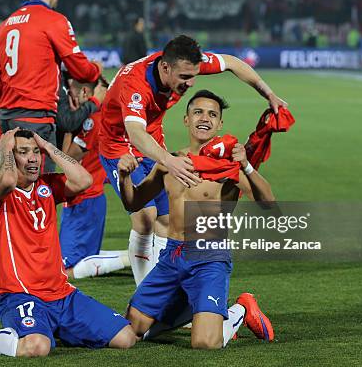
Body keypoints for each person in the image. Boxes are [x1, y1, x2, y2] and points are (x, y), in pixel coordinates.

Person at [98, 34, 287, 286]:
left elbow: (231, 62)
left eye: (194, 75)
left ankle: (165, 291)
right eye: (185, 77)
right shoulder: (136, 85)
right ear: (165, 68)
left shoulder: (182, 63)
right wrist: (169, 160)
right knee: (144, 218)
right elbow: (134, 133)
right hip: (118, 146)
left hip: (151, 140)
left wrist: (269, 94)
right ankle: (145, 295)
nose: (191, 82)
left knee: (167, 219)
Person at [0, 129, 136, 357]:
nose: (33, 158)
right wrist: (4, 149)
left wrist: (49, 148)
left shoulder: (47, 187)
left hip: (62, 294)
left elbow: (84, 180)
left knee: (125, 337)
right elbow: (8, 179)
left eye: (35, 152)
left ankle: (54, 328)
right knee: (36, 347)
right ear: (8, 156)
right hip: (19, 295)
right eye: (23, 152)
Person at [117, 90, 276, 349]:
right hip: (171, 257)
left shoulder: (228, 166)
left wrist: (246, 165)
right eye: (198, 112)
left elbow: (269, 204)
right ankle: (194, 308)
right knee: (131, 329)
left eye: (213, 114)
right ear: (186, 119)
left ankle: (240, 310)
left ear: (220, 124)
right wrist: (124, 177)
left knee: (204, 343)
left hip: (208, 258)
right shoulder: (170, 162)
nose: (205, 118)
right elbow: (133, 202)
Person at [0, 0, 103, 171]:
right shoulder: (55, 21)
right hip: (36, 118)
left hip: (7, 117)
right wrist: (96, 70)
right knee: (40, 190)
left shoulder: (5, 26)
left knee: (15, 188)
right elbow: (81, 70)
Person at [60, 79, 129, 278]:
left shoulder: (92, 121)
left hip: (85, 201)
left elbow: (68, 157)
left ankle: (135, 257)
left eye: (70, 92)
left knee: (65, 270)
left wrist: (66, 127)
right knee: (75, 259)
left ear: (84, 92)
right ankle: (137, 254)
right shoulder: (98, 119)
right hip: (84, 200)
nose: (67, 99)